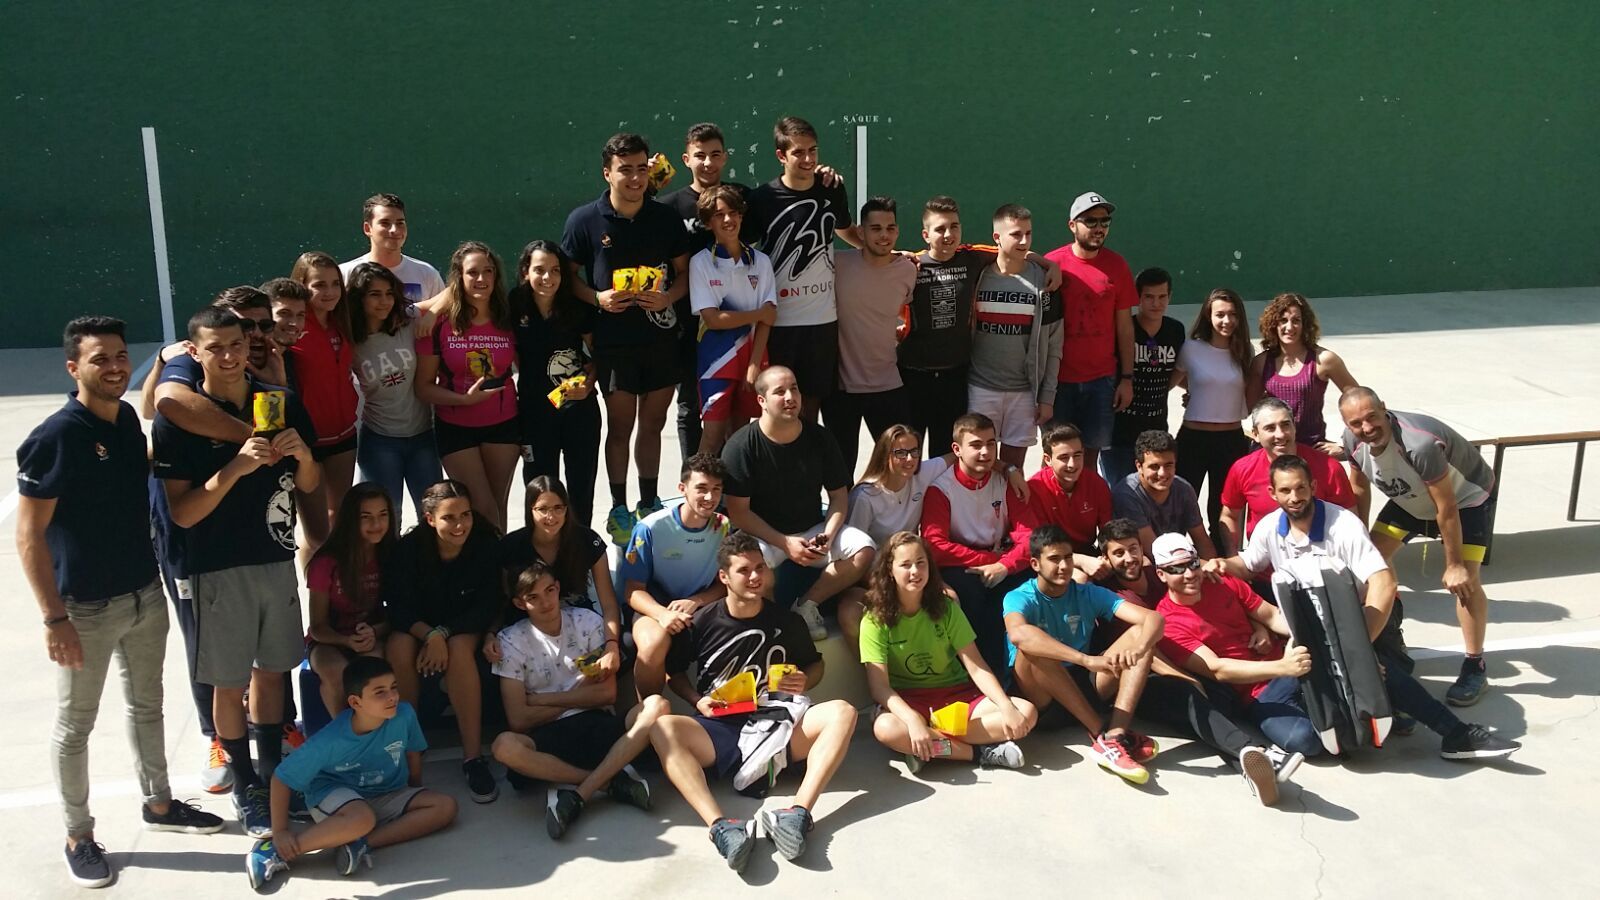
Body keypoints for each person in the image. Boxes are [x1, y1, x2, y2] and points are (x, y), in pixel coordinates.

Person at [19, 316, 224, 887]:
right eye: (99, 359)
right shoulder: (57, 436)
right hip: (83, 610)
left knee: (147, 706)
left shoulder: (128, 420)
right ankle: (78, 836)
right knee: (75, 726)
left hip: (144, 595)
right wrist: (53, 617)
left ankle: (159, 803)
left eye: (118, 357)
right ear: (73, 368)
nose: (113, 367)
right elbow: (29, 536)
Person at [1206, 455, 1521, 760]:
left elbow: (1384, 583)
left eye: (1301, 487)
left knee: (1379, 670)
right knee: (1362, 677)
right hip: (1310, 631)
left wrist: (1357, 649)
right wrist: (1222, 564)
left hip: (1360, 618)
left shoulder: (1343, 525)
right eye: (1285, 490)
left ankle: (1455, 733)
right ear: (1272, 493)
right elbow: (1248, 564)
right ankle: (1381, 710)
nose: (1295, 497)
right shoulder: (1270, 527)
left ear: (1313, 486)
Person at [152, 306, 322, 837]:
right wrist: (236, 467)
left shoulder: (279, 401)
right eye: (215, 348)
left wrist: (303, 457)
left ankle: (272, 777)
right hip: (216, 567)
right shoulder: (180, 419)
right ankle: (245, 785)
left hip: (275, 557)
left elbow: (310, 485)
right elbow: (183, 513)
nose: (228, 357)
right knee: (229, 684)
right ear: (194, 352)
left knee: (272, 673)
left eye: (236, 345)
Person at [650, 532, 859, 872]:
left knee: (843, 712)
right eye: (744, 570)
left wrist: (805, 679)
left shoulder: (787, 621)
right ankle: (721, 827)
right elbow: (673, 674)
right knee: (663, 728)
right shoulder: (702, 621)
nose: (755, 577)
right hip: (720, 728)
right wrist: (697, 701)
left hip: (777, 722)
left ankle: (796, 814)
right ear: (724, 577)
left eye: (760, 568)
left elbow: (815, 665)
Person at [1095, 519, 1305, 803]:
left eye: (1133, 549)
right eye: (1118, 553)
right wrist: (1185, 678)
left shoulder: (1164, 572)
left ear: (1144, 553)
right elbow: (1151, 646)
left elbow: (1198, 567)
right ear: (1105, 558)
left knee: (1205, 709)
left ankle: (1250, 760)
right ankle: (1254, 753)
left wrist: (1258, 625)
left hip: (1186, 659)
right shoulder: (1107, 592)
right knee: (1191, 698)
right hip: (1138, 677)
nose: (1129, 558)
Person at [562, 132, 692, 544]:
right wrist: (597, 298)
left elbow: (685, 272)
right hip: (613, 344)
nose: (635, 178)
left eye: (640, 169)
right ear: (607, 173)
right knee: (620, 426)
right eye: (625, 170)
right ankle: (619, 508)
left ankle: (649, 502)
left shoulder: (665, 217)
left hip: (662, 341)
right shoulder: (584, 220)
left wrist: (667, 297)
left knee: (653, 424)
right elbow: (568, 276)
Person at [1339, 386, 1501, 706]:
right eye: (1356, 423)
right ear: (1347, 425)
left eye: (1372, 417)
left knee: (1465, 583)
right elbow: (1359, 489)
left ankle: (1475, 666)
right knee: (1368, 565)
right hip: (1411, 499)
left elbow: (1446, 508)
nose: (1367, 428)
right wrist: (1360, 537)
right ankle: (1388, 638)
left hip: (1464, 499)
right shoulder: (1350, 441)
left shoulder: (1420, 445)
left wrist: (1454, 564)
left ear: (1384, 408)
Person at [246, 657, 457, 890]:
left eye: (394, 687)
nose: (392, 697)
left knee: (445, 806)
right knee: (363, 818)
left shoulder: (405, 714)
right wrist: (280, 832)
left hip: (387, 792)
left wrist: (415, 790)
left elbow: (413, 753)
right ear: (356, 702)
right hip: (335, 793)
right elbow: (282, 777)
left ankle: (360, 842)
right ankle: (274, 851)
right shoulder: (331, 739)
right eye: (380, 692)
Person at [489, 562, 663, 839]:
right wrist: (580, 696)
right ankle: (608, 782)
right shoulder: (510, 641)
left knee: (657, 706)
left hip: (597, 723)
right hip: (549, 737)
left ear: (558, 588)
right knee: (503, 747)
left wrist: (541, 700)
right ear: (520, 604)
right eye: (533, 597)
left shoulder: (587, 622)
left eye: (550, 590)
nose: (546, 602)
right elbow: (519, 719)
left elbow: (606, 694)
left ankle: (580, 792)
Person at [721, 366, 876, 641]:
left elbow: (839, 497)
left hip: (812, 530)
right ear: (761, 401)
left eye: (794, 389)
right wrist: (784, 543)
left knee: (864, 548)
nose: (790, 397)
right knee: (751, 564)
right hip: (763, 536)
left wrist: (828, 535)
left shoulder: (820, 437)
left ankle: (807, 605)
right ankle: (772, 623)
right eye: (780, 392)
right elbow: (739, 513)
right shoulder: (741, 446)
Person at [862, 532, 1035, 772]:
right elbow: (880, 687)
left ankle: (927, 746)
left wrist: (1005, 705)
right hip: (909, 701)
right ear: (889, 570)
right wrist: (912, 720)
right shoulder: (874, 620)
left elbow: (976, 667)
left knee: (1026, 713)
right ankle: (978, 753)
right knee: (887, 729)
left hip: (956, 697)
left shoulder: (946, 608)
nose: (915, 571)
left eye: (921, 563)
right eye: (905, 565)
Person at [1004, 525, 1164, 783]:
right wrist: (1086, 660)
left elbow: (1154, 619)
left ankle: (1116, 734)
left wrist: (1139, 648)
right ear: (1035, 564)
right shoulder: (1019, 597)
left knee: (1138, 634)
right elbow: (1018, 634)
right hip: (1043, 696)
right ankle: (1100, 735)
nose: (1063, 566)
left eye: (1068, 557)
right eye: (1054, 559)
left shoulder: (1087, 592)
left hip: (1085, 686)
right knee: (1032, 647)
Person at [1150, 532, 1323, 758]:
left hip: (1288, 659)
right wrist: (1284, 667)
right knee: (1304, 740)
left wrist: (1312, 632)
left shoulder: (1222, 581)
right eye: (1177, 569)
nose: (1189, 574)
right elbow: (1217, 669)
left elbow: (1271, 615)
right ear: (1161, 574)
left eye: (1193, 564)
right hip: (1258, 692)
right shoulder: (1168, 623)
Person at [382, 480, 503, 803]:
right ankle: (408, 749)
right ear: (430, 518)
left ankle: (473, 757)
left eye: (466, 514)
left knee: (459, 650)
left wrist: (444, 634)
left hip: (464, 626)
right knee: (398, 646)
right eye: (449, 517)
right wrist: (429, 634)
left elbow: (488, 605)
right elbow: (398, 607)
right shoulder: (408, 550)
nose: (460, 524)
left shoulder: (485, 544)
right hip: (420, 627)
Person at [741, 116, 864, 422]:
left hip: (822, 321)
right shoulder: (762, 199)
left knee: (810, 407)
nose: (808, 159)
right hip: (778, 322)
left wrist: (884, 252)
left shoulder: (831, 188)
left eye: (813, 150)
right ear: (781, 155)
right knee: (777, 406)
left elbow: (846, 230)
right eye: (798, 152)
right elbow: (740, 248)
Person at [414, 240, 521, 533]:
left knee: (497, 505)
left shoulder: (508, 318)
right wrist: (463, 400)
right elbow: (423, 388)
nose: (481, 279)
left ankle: (499, 562)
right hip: (456, 427)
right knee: (481, 507)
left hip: (504, 424)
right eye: (472, 272)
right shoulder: (439, 324)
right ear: (459, 277)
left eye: (488, 271)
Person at [920, 413, 1036, 673]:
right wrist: (993, 561)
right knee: (970, 594)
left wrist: (1005, 565)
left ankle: (1026, 671)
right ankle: (979, 675)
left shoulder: (1007, 481)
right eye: (976, 445)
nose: (985, 452)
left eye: (991, 444)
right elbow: (935, 546)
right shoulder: (941, 488)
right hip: (962, 564)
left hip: (1002, 561)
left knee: (1037, 582)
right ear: (957, 449)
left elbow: (1030, 536)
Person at [621, 454, 732, 699]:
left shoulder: (723, 526)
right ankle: (648, 713)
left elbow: (724, 584)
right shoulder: (650, 528)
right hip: (655, 605)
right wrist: (663, 614)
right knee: (653, 643)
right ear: (682, 489)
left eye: (716, 489)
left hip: (700, 606)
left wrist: (697, 600)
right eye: (701, 489)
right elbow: (633, 590)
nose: (710, 497)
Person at [493, 476, 623, 683]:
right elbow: (500, 600)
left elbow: (608, 602)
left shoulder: (587, 540)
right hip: (529, 627)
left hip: (580, 628)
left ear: (566, 508)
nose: (551, 516)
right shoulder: (511, 546)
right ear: (530, 510)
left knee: (623, 651)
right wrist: (491, 634)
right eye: (542, 509)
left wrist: (611, 644)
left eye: (557, 508)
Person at [1045, 191, 1139, 475]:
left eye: (1104, 221)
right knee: (1056, 459)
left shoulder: (1117, 266)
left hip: (1101, 381)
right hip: (1058, 382)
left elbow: (1124, 327)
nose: (1099, 227)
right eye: (1090, 221)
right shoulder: (1052, 263)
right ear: (1072, 225)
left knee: (1088, 462)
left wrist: (1126, 379)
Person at [509, 240, 601, 527]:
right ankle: (540, 548)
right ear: (525, 272)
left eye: (555, 270)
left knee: (580, 488)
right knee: (539, 487)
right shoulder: (513, 304)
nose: (547, 277)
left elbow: (598, 353)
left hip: (578, 410)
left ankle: (580, 547)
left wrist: (589, 382)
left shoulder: (576, 306)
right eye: (539, 270)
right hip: (534, 412)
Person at [823, 195, 918, 467]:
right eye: (876, 229)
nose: (884, 235)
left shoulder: (908, 270)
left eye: (890, 228)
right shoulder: (837, 264)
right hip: (841, 390)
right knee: (840, 472)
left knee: (900, 467)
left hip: (888, 385)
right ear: (861, 233)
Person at [967, 204, 1063, 468]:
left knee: (1013, 469)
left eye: (1028, 234)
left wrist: (1046, 397)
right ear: (997, 237)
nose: (1024, 241)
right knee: (979, 466)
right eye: (1016, 234)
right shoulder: (977, 275)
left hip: (1024, 393)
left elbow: (1054, 344)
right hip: (980, 388)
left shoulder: (1045, 282)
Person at [688, 184, 777, 454]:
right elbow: (713, 319)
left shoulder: (761, 261)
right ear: (708, 223)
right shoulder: (701, 262)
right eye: (719, 215)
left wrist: (754, 364)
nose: (728, 219)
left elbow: (769, 318)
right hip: (716, 361)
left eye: (734, 212)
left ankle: (733, 484)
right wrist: (757, 314)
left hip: (752, 358)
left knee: (740, 438)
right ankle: (699, 482)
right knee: (712, 437)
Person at [350, 262, 443, 518]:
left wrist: (432, 313)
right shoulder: (350, 337)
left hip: (423, 436)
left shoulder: (408, 318)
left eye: (389, 293)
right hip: (379, 440)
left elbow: (453, 291)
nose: (384, 301)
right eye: (375, 294)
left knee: (433, 516)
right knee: (387, 518)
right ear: (359, 297)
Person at [288, 253, 360, 560]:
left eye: (335, 284)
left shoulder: (342, 321)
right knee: (317, 533)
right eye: (319, 285)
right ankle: (314, 587)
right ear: (301, 285)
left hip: (343, 434)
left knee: (339, 519)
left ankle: (336, 585)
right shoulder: (291, 327)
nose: (329, 292)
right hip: (308, 441)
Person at [1219, 397, 1355, 555]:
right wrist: (1234, 556)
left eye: (1285, 425)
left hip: (1320, 563)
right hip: (1263, 564)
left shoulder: (1329, 468)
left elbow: (1350, 518)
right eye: (1270, 428)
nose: (1280, 434)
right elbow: (1229, 516)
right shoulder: (1242, 469)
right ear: (1255, 434)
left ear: (1294, 427)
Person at [306, 483, 395, 717]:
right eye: (366, 517)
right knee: (336, 672)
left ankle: (377, 731)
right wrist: (346, 641)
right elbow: (317, 627)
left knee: (373, 670)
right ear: (350, 520)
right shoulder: (326, 562)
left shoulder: (392, 554)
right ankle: (345, 733)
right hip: (329, 641)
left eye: (383, 515)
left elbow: (400, 613)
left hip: (373, 636)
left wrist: (374, 631)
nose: (376, 524)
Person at [1173, 288, 1252, 548]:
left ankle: (1224, 562)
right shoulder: (1191, 348)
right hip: (1193, 439)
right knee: (1181, 505)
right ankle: (1176, 559)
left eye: (1233, 314)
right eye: (1220, 314)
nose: (1227, 321)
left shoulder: (1244, 351)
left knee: (1222, 509)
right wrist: (1195, 389)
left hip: (1231, 441)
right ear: (1208, 316)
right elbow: (1172, 381)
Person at [1248, 292, 1357, 455]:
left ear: (1305, 324)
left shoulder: (1324, 360)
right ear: (1273, 324)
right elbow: (1246, 407)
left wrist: (1344, 446)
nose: (1289, 327)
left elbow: (1360, 402)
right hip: (1273, 452)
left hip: (1310, 450)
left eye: (1296, 320)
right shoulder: (1261, 363)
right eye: (1283, 320)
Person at [1104, 266, 1184, 484]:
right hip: (1119, 434)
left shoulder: (1176, 330)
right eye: (1149, 297)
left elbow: (1181, 368)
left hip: (1157, 431)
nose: (1156, 303)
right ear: (1137, 297)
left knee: (1155, 492)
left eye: (1162, 297)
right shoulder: (1123, 328)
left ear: (1170, 297)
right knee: (1121, 493)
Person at [1112, 429, 1216, 561]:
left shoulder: (1183, 489)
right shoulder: (1127, 495)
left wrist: (1213, 566)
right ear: (1139, 466)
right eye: (1154, 466)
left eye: (1168, 465)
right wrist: (1197, 566)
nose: (1162, 473)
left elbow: (1201, 540)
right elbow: (1154, 551)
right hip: (1142, 560)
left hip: (1176, 558)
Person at [1028, 422, 1114, 579]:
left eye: (1077, 455)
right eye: (1063, 457)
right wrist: (1080, 561)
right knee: (1080, 579)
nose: (1072, 464)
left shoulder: (1096, 484)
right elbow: (1039, 545)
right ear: (1048, 459)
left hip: (1088, 551)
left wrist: (1107, 557)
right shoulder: (1035, 489)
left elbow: (1108, 531)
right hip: (1051, 556)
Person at [338, 193, 446, 305]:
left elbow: (443, 313)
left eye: (400, 223)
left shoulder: (428, 274)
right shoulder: (345, 274)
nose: (395, 230)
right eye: (385, 223)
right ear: (367, 228)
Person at [265, 278, 308, 357]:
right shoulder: (244, 359)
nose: (294, 323)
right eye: (284, 313)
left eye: (300, 315)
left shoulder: (298, 360)